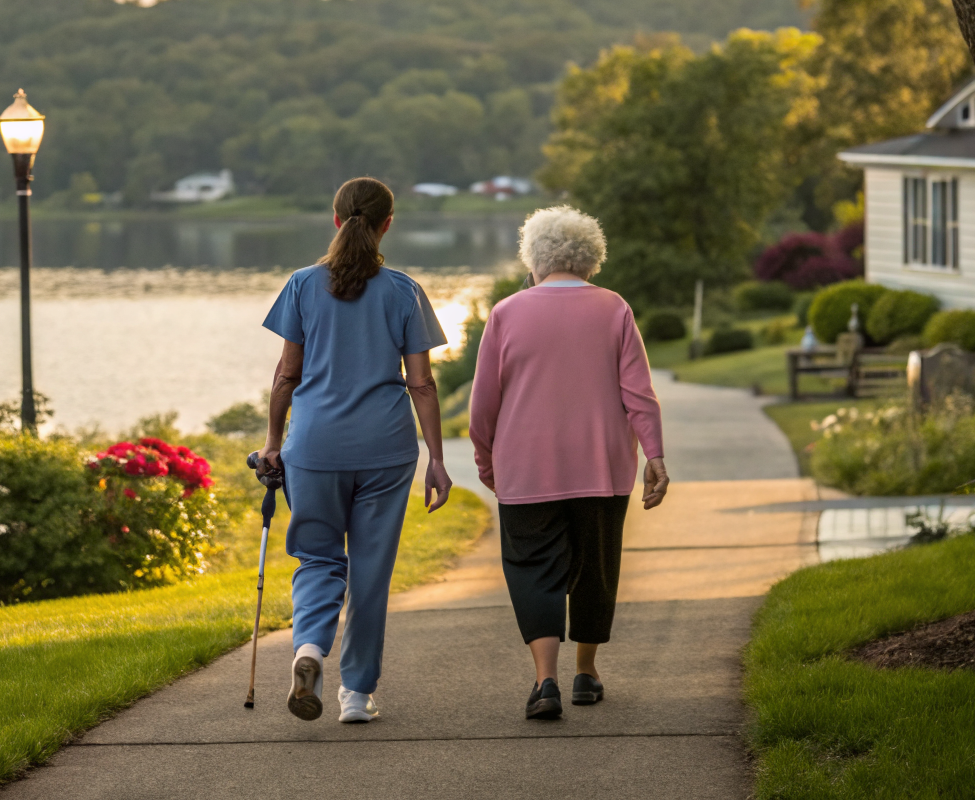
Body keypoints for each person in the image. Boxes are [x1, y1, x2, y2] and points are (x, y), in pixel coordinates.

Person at [257, 176, 452, 724]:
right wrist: (436, 459)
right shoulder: (403, 290)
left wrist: (274, 442)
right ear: (388, 223)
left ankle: (310, 651)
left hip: (314, 447)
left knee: (319, 558)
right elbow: (422, 384)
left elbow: (286, 374)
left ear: (336, 220)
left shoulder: (300, 284)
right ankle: (356, 695)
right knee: (369, 570)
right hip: (386, 450)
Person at [469, 205, 668, 720]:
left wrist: (484, 458)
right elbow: (639, 395)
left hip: (526, 467)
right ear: (589, 259)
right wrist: (655, 455)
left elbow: (483, 401)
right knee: (595, 568)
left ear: (533, 258)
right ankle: (586, 672)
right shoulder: (614, 308)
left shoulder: (506, 313)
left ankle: (545, 682)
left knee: (532, 568)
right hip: (601, 467)